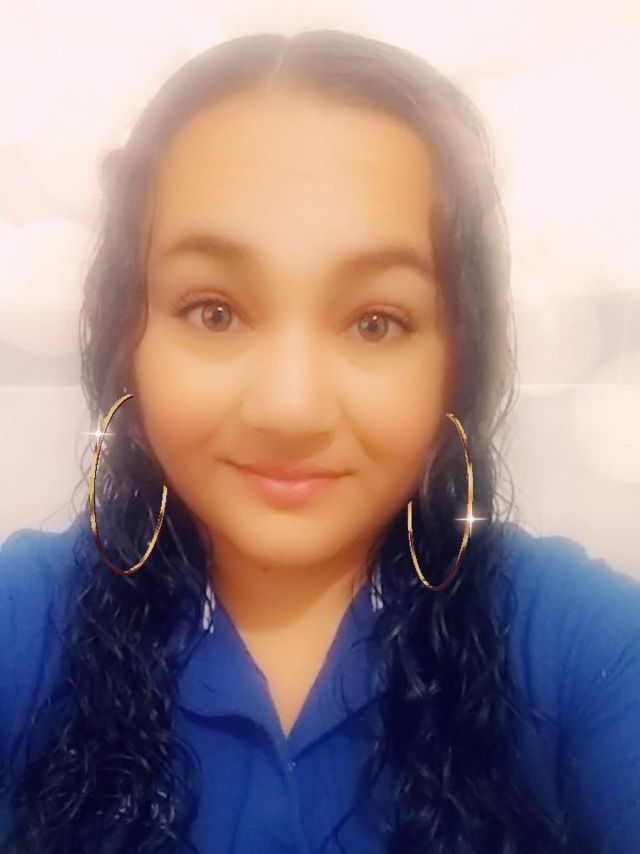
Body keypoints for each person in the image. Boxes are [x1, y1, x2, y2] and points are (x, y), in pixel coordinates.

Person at [0, 29, 638, 854]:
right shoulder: (22, 626)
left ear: (458, 358)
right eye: (214, 312)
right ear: (129, 336)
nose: (290, 408)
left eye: (375, 322)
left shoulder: (579, 643)